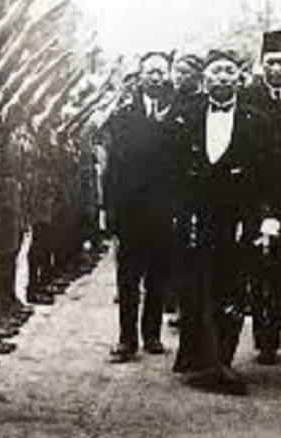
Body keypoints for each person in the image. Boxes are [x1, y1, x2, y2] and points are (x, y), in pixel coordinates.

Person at [171, 48, 270, 395]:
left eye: (229, 70)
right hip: (196, 216)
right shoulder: (185, 116)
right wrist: (179, 213)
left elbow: (266, 175)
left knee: (232, 287)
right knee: (196, 285)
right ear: (205, 78)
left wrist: (263, 219)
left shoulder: (256, 121)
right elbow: (172, 170)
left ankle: (223, 360)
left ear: (239, 78)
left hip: (238, 218)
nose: (223, 77)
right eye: (216, 71)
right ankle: (197, 357)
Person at [104, 52, 176, 363]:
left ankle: (152, 335)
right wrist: (110, 211)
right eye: (151, 72)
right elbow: (113, 168)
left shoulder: (177, 113)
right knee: (128, 278)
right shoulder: (123, 116)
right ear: (141, 75)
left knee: (159, 276)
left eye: (161, 72)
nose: (156, 78)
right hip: (131, 211)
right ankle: (127, 339)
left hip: (164, 210)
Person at [243, 31, 281, 365]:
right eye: (270, 63)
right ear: (261, 65)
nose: (277, 69)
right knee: (259, 268)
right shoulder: (248, 97)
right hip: (256, 194)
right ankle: (265, 336)